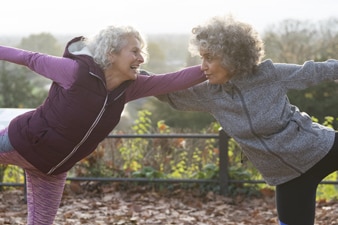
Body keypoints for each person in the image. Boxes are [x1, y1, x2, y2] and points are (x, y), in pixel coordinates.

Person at [0, 25, 206, 225]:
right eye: (134, 51)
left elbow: (172, 80)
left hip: (53, 169)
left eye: (141, 52)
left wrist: (210, 66)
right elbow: (29, 58)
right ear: (110, 54)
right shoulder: (75, 72)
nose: (141, 58)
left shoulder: (130, 88)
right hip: (21, 142)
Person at [157, 15, 338, 225]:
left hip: (320, 148)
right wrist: (133, 79)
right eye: (201, 58)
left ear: (231, 57)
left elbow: (315, 71)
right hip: (288, 176)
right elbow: (167, 92)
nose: (202, 66)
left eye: (209, 58)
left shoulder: (268, 75)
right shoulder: (210, 94)